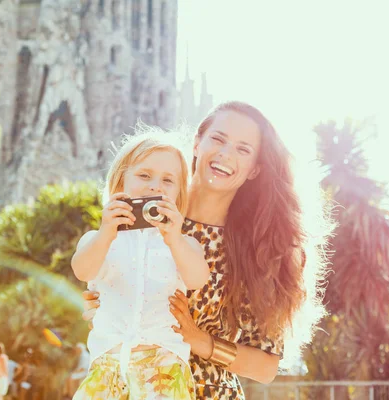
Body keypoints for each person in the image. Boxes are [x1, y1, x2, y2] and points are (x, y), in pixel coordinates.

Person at [82, 101, 333, 399]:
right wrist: (101, 305)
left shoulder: (261, 251)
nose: (225, 154)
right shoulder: (146, 215)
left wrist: (199, 341)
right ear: (197, 143)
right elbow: (104, 284)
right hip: (130, 387)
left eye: (243, 149)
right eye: (218, 139)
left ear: (255, 169)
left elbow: (265, 367)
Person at [71, 126, 210, 399]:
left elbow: (197, 279)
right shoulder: (98, 238)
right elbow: (82, 270)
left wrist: (174, 238)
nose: (155, 185)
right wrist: (106, 233)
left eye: (168, 180)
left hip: (163, 365)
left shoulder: (184, 243)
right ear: (120, 182)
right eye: (144, 175)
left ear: (179, 193)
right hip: (108, 362)